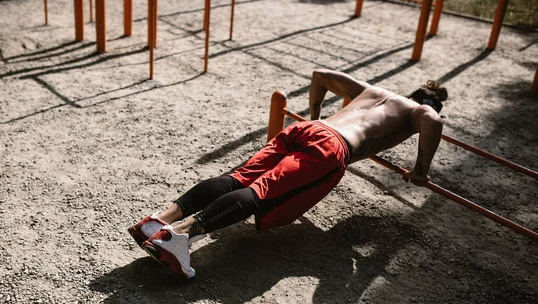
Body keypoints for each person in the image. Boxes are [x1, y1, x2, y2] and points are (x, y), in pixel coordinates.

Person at [128, 69, 448, 278]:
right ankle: (178, 237)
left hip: (308, 130)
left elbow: (320, 76)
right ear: (429, 103)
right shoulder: (416, 112)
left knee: (238, 178)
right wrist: (422, 171)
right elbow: (433, 122)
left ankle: (158, 222)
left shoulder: (376, 91)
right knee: (261, 192)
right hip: (331, 147)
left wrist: (316, 117)